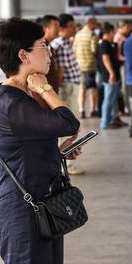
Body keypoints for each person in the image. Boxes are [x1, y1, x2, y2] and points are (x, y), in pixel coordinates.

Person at [0, 17, 84, 264]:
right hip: (23, 213)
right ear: (24, 55)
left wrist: (56, 152)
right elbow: (69, 123)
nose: (50, 52)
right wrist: (45, 88)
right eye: (43, 45)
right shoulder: (13, 102)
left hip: (41, 208)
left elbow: (21, 149)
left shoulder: (20, 98)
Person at [50, 13, 85, 176]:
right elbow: (60, 72)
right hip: (68, 87)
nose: (74, 29)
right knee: (70, 125)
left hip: (70, 86)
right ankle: (68, 163)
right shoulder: (61, 44)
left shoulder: (62, 42)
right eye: (70, 27)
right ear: (62, 29)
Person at [73, 17, 99, 118]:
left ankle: (81, 110)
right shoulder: (92, 35)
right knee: (92, 88)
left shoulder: (78, 34)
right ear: (91, 24)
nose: (96, 26)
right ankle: (93, 110)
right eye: (95, 24)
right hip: (91, 65)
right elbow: (94, 50)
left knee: (82, 88)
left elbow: (74, 49)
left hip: (80, 65)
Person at [97, 23, 122, 130]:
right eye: (113, 32)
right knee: (108, 99)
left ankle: (111, 120)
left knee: (112, 99)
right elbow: (105, 59)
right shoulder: (104, 44)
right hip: (109, 76)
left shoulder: (108, 44)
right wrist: (111, 73)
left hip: (112, 75)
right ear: (110, 32)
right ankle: (105, 122)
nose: (114, 34)